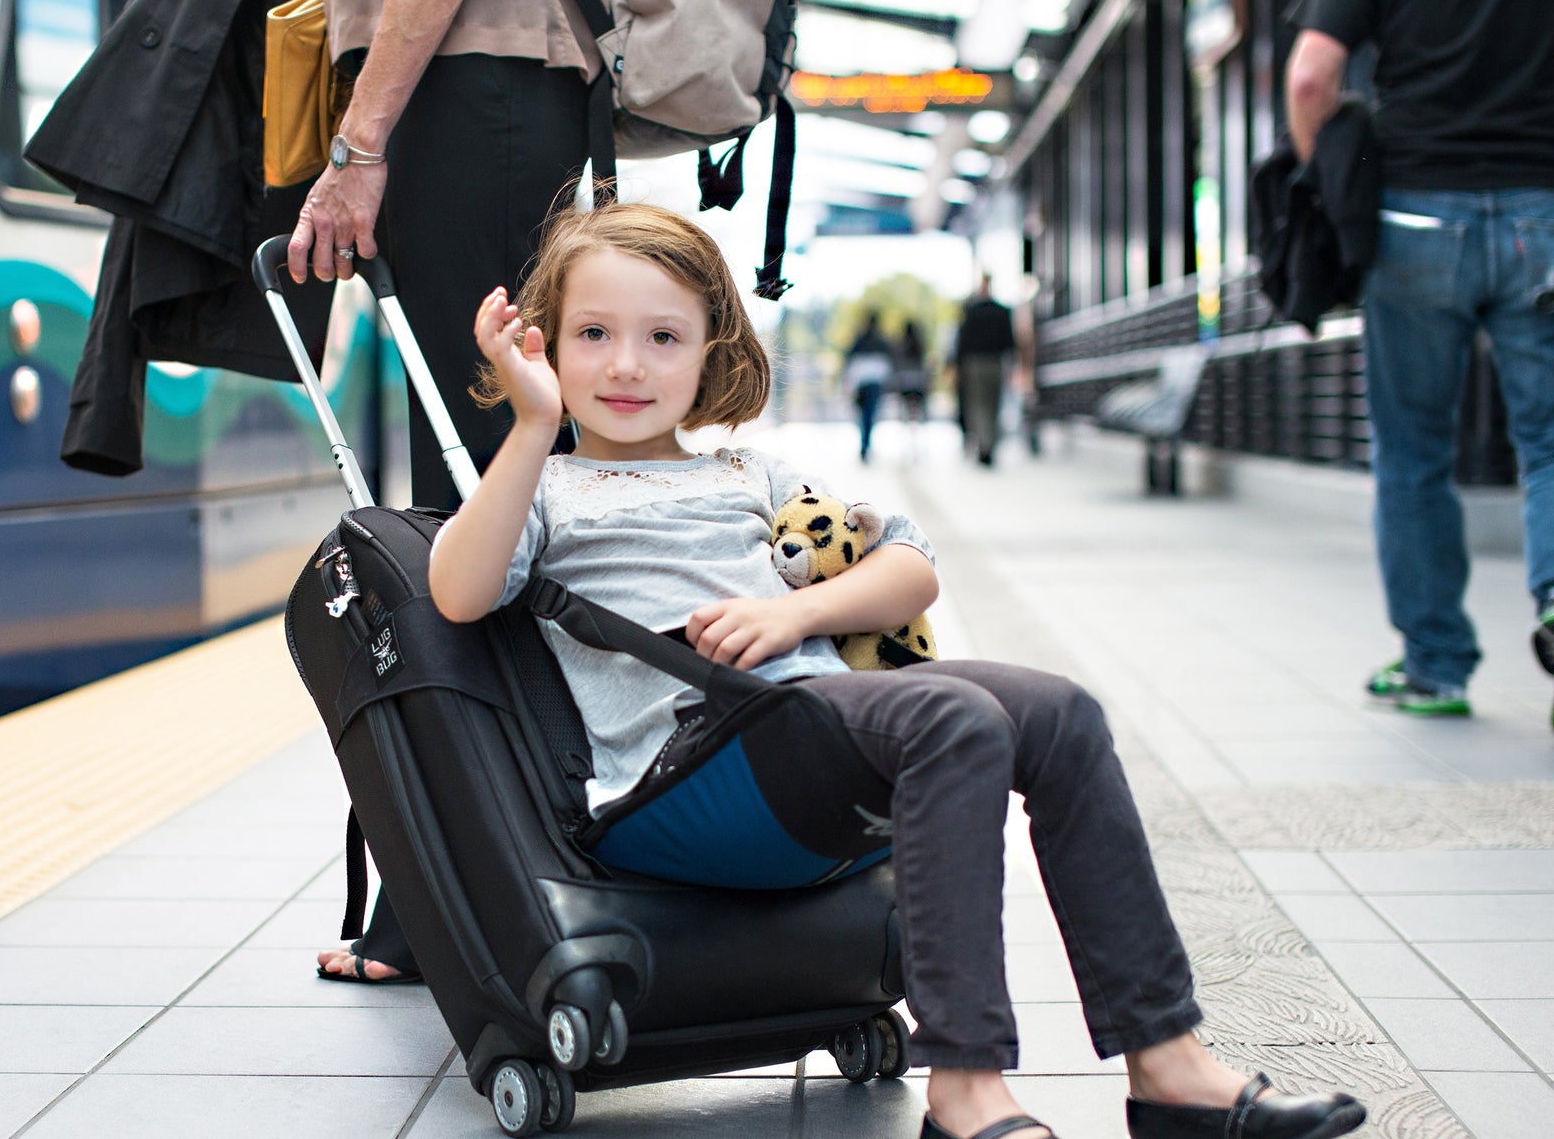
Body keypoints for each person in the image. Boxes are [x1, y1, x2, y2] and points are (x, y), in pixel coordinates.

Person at [433, 199, 1366, 1139]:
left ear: (712, 352)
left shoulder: (753, 475)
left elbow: (909, 564)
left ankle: (1169, 1070)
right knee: (955, 722)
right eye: (594, 334)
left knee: (1061, 713)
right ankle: (964, 1090)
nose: (627, 364)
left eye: (663, 337)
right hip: (685, 782)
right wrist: (529, 427)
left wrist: (792, 611)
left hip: (808, 734)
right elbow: (459, 591)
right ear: (544, 344)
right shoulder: (543, 491)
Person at [288, 0, 607, 983]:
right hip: (485, 96)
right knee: (483, 493)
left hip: (465, 96)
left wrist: (358, 145)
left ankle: (478, 894)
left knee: (475, 510)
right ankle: (485, 876)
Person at [1286, 0, 1554, 719]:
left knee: (1413, 451)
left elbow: (1311, 76)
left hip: (1413, 214)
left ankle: (1435, 667)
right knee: (1549, 440)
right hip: (1543, 212)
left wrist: (1321, 182)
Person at [954, 275, 1018, 468]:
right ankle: (988, 444)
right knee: (992, 405)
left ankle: (984, 444)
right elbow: (1009, 341)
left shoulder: (971, 311)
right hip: (995, 362)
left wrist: (958, 367)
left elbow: (962, 342)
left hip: (974, 364)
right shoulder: (1002, 311)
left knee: (978, 405)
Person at [842, 315, 892, 462]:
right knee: (869, 415)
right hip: (873, 383)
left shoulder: (860, 340)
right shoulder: (881, 342)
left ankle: (864, 445)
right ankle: (866, 445)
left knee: (864, 415)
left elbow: (850, 359)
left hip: (862, 383)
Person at [892, 318, 931, 449]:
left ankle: (909, 431)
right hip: (918, 382)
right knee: (916, 410)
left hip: (905, 382)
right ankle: (916, 431)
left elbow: (897, 365)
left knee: (907, 410)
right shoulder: (920, 344)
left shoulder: (900, 345)